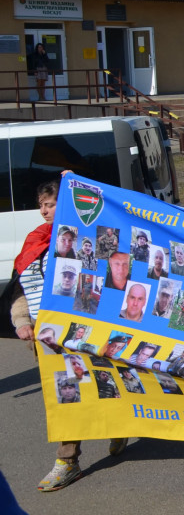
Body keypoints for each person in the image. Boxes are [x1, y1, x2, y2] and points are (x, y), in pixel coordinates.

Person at [3, 181, 127, 490]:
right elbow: (20, 290)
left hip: (87, 333)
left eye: (52, 203)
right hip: (46, 339)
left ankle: (110, 430)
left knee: (102, 384)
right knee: (66, 396)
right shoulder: (35, 241)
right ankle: (69, 460)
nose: (45, 210)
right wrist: (21, 322)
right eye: (42, 204)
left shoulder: (87, 237)